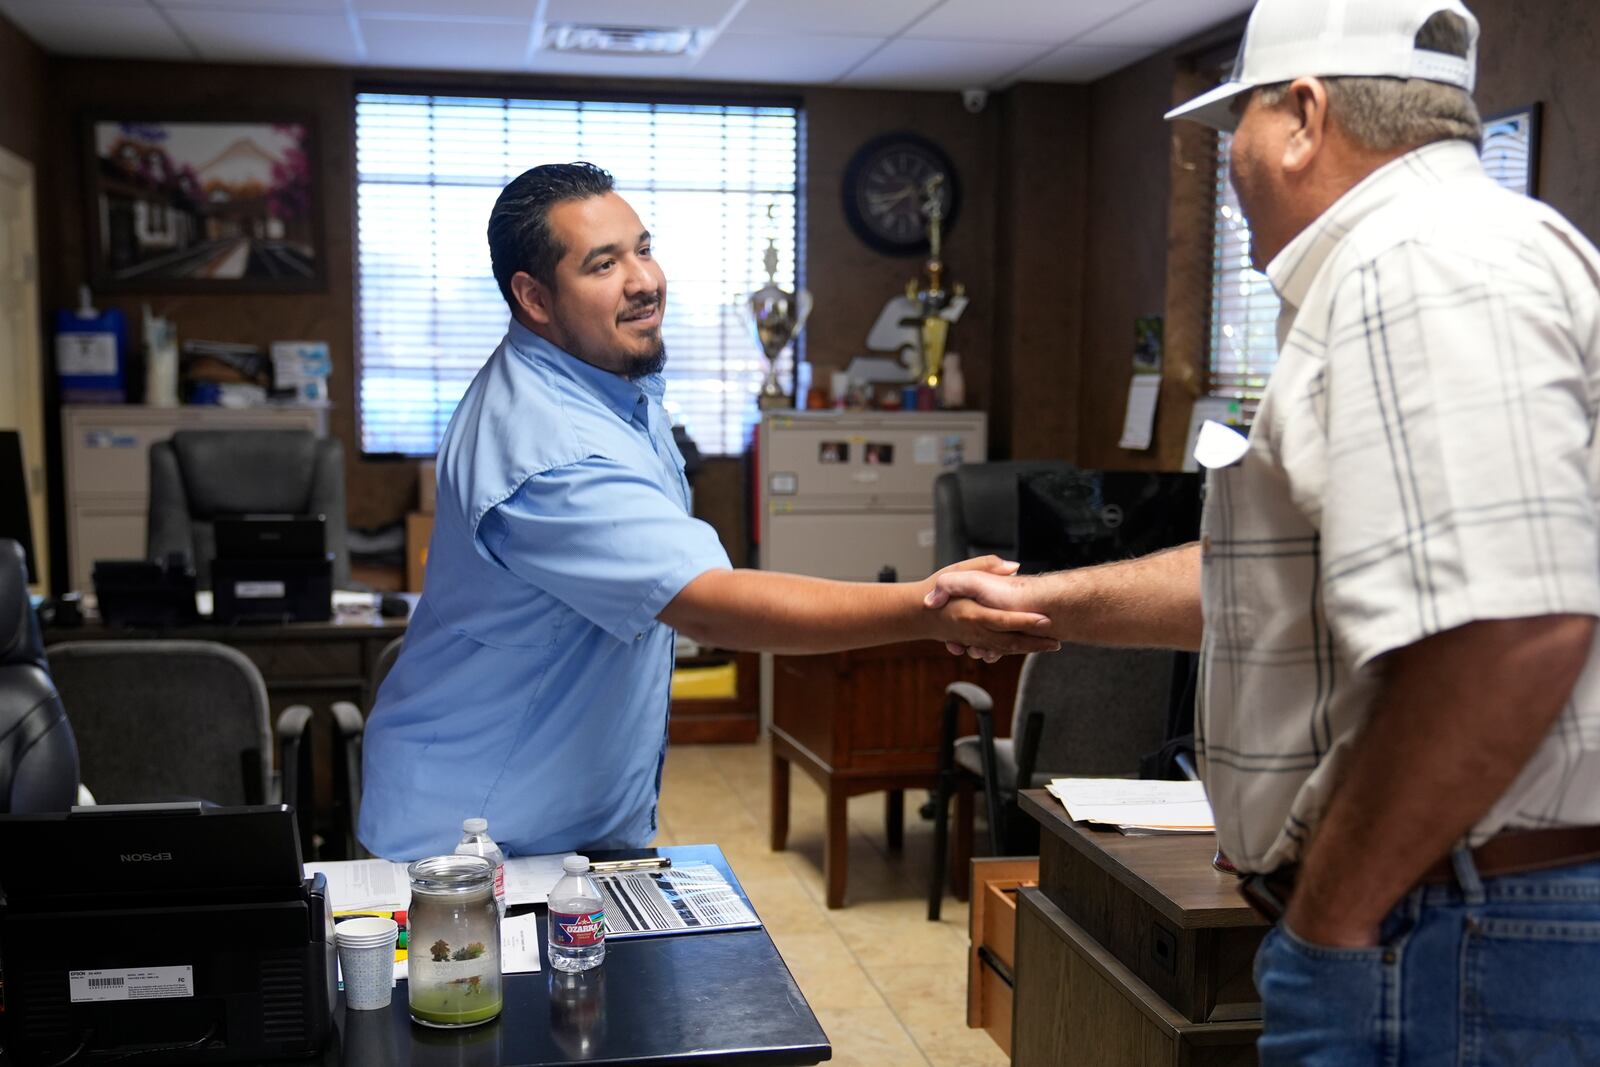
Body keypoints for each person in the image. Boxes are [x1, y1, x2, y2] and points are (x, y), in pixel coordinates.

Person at [928, 0, 1600, 1060]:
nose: (1224, 161)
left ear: (1301, 114)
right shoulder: (1418, 263)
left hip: (1440, 926)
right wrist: (1049, 600)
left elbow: (1509, 631)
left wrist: (1334, 903)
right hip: (1433, 912)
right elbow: (1286, 578)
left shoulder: (1416, 266)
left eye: (1229, 126)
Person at [359, 162, 1056, 863]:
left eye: (643, 247)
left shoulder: (612, 385)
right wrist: (924, 607)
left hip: (561, 826)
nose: (644, 280)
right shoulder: (550, 449)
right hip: (471, 846)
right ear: (534, 297)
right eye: (603, 264)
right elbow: (708, 605)